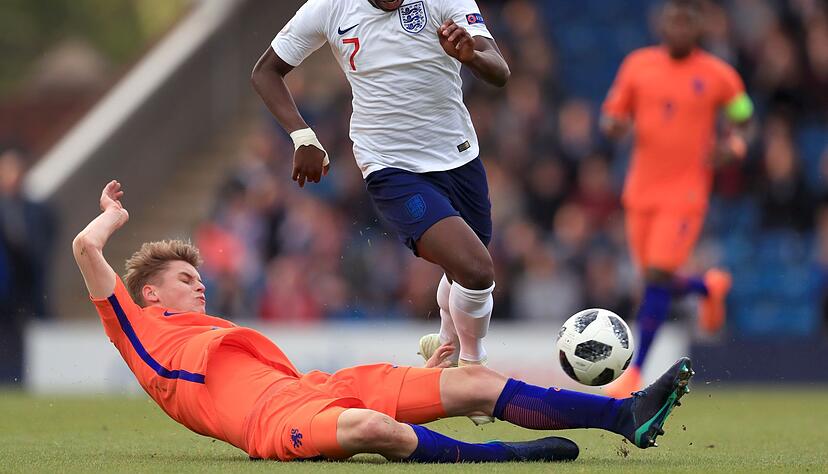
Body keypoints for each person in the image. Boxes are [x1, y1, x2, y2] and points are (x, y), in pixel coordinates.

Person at [72, 180, 693, 463]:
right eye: (185, 278)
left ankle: (624, 416)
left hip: (314, 387)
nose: (200, 283)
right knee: (373, 429)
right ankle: (500, 455)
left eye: (198, 275)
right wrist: (112, 219)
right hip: (272, 425)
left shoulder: (212, 329)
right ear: (149, 294)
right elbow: (84, 248)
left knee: (469, 381)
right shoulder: (137, 330)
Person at [251, 1, 509, 416]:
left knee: (466, 268)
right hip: (391, 166)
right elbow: (266, 71)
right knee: (477, 270)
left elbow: (499, 71)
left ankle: (446, 344)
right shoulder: (330, 8)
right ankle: (473, 371)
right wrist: (302, 136)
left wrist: (472, 57)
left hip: (459, 157)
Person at [600, 0, 753, 396]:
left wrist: (734, 146)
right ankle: (707, 287)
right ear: (661, 24)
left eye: (687, 22)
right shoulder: (638, 66)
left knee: (656, 276)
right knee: (655, 279)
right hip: (640, 192)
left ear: (699, 27)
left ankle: (636, 372)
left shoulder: (718, 74)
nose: (679, 28)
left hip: (685, 194)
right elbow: (612, 114)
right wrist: (614, 125)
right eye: (673, 21)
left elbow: (745, 116)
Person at [0, 149, 56, 384]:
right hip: (4, 288)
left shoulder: (38, 210)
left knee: (23, 340)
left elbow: (45, 242)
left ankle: (18, 381)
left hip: (25, 289)